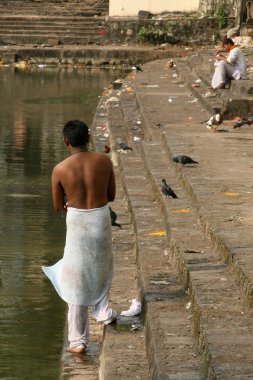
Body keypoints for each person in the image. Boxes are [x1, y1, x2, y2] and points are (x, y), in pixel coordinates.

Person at [42, 120, 117, 354]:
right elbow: (111, 195)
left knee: (75, 275)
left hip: (77, 220)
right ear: (88, 138)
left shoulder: (60, 169)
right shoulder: (104, 161)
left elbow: (57, 207)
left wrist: (69, 201)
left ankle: (77, 342)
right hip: (100, 218)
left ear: (66, 142)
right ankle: (102, 311)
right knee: (101, 266)